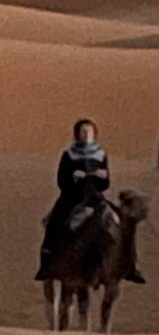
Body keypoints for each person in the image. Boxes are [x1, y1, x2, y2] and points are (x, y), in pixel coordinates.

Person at [35, 119, 144, 283]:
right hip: (71, 198)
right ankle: (47, 262)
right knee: (54, 222)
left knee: (122, 223)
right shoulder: (69, 155)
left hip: (95, 198)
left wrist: (102, 177)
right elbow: (61, 181)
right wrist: (73, 177)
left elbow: (105, 184)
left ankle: (129, 265)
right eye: (83, 132)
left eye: (90, 132)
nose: (87, 135)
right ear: (77, 134)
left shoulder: (100, 155)